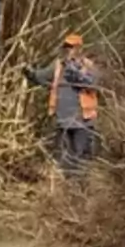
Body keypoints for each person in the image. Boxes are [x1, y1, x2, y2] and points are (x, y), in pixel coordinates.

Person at [24, 33, 99, 173]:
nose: (68, 50)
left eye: (71, 47)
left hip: (82, 121)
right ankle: (68, 190)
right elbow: (42, 77)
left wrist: (74, 71)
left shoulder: (88, 66)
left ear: (79, 49)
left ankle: (81, 191)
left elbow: (92, 84)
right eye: (66, 47)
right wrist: (30, 73)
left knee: (79, 160)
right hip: (63, 120)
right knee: (64, 160)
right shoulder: (58, 66)